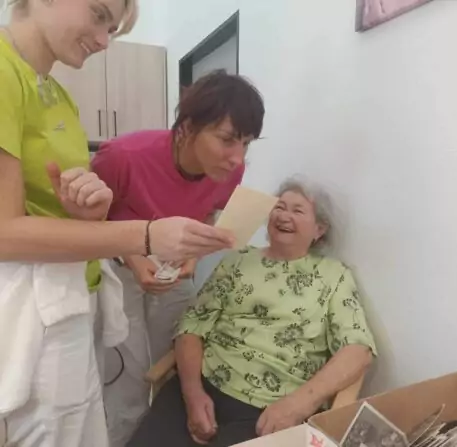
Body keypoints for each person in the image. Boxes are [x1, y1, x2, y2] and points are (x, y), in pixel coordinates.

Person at [0, 1, 234, 446]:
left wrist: (89, 210)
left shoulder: (56, 94)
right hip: (31, 311)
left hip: (73, 298)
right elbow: (4, 233)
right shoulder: (4, 73)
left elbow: (52, 212)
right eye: (98, 14)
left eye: (112, 28)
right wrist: (145, 235)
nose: (104, 41)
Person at [128, 179, 377, 447]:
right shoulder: (237, 261)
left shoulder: (334, 276)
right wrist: (193, 395)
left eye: (297, 210)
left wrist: (298, 404)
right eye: (279, 207)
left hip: (271, 412)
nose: (283, 216)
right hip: (204, 385)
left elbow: (358, 350)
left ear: (320, 229)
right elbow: (192, 325)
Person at [91, 70, 265, 446]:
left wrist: (194, 256)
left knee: (176, 356)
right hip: (119, 265)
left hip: (175, 268)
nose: (237, 158)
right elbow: (90, 220)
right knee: (127, 372)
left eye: (247, 143)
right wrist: (133, 257)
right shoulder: (123, 156)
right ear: (187, 127)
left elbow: (208, 212)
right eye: (227, 140)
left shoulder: (230, 172)